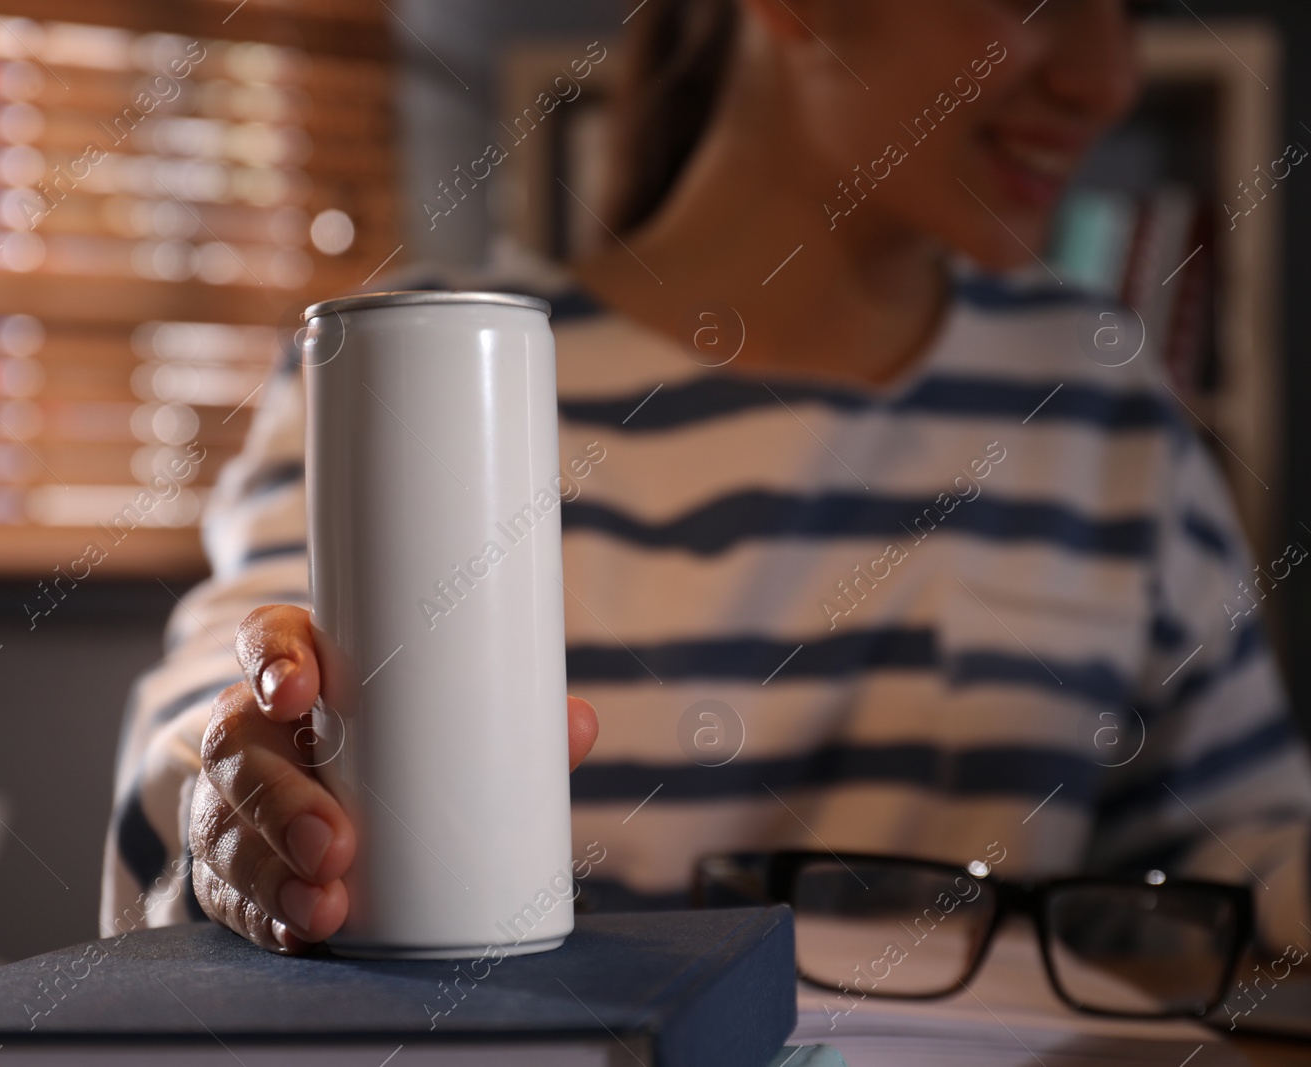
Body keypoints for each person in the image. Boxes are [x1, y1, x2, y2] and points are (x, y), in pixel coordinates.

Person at [102, 0, 1311, 960]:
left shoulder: (1099, 400)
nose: (1107, 75)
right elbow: (192, 764)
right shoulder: (412, 364)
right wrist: (236, 813)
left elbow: (1247, 853)